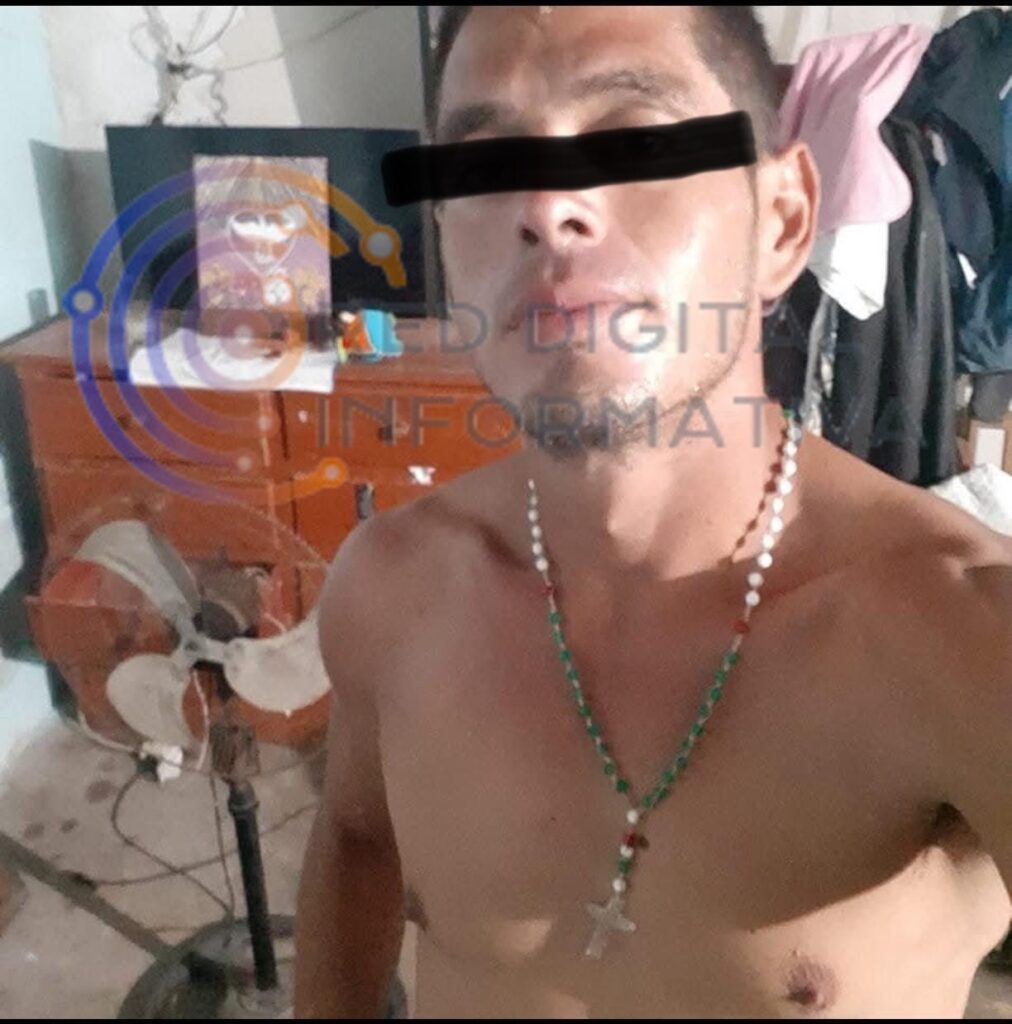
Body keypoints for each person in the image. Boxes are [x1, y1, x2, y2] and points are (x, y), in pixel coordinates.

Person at [295, 6, 1012, 1017]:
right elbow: (357, 838)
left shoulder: (964, 637)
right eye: (488, 166)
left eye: (634, 142)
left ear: (782, 222)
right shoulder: (391, 589)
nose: (547, 207)